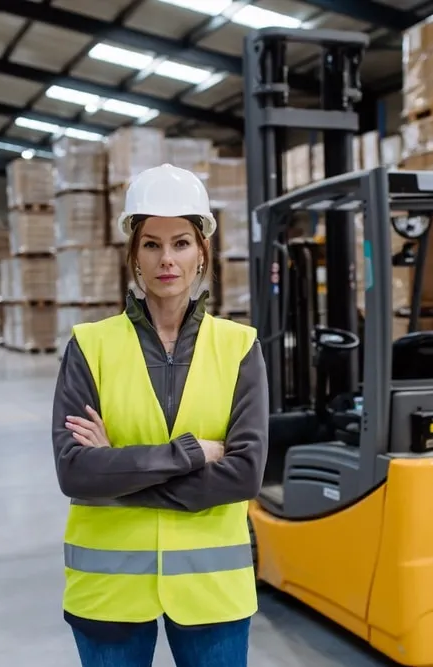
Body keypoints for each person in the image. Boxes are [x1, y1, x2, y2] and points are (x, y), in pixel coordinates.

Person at [50, 163, 270, 667]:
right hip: (110, 592)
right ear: (134, 256)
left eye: (181, 243)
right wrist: (191, 453)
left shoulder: (239, 347)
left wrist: (118, 473)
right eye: (151, 244)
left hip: (210, 592)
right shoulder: (91, 347)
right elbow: (75, 472)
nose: (166, 259)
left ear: (202, 254)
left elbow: (244, 474)